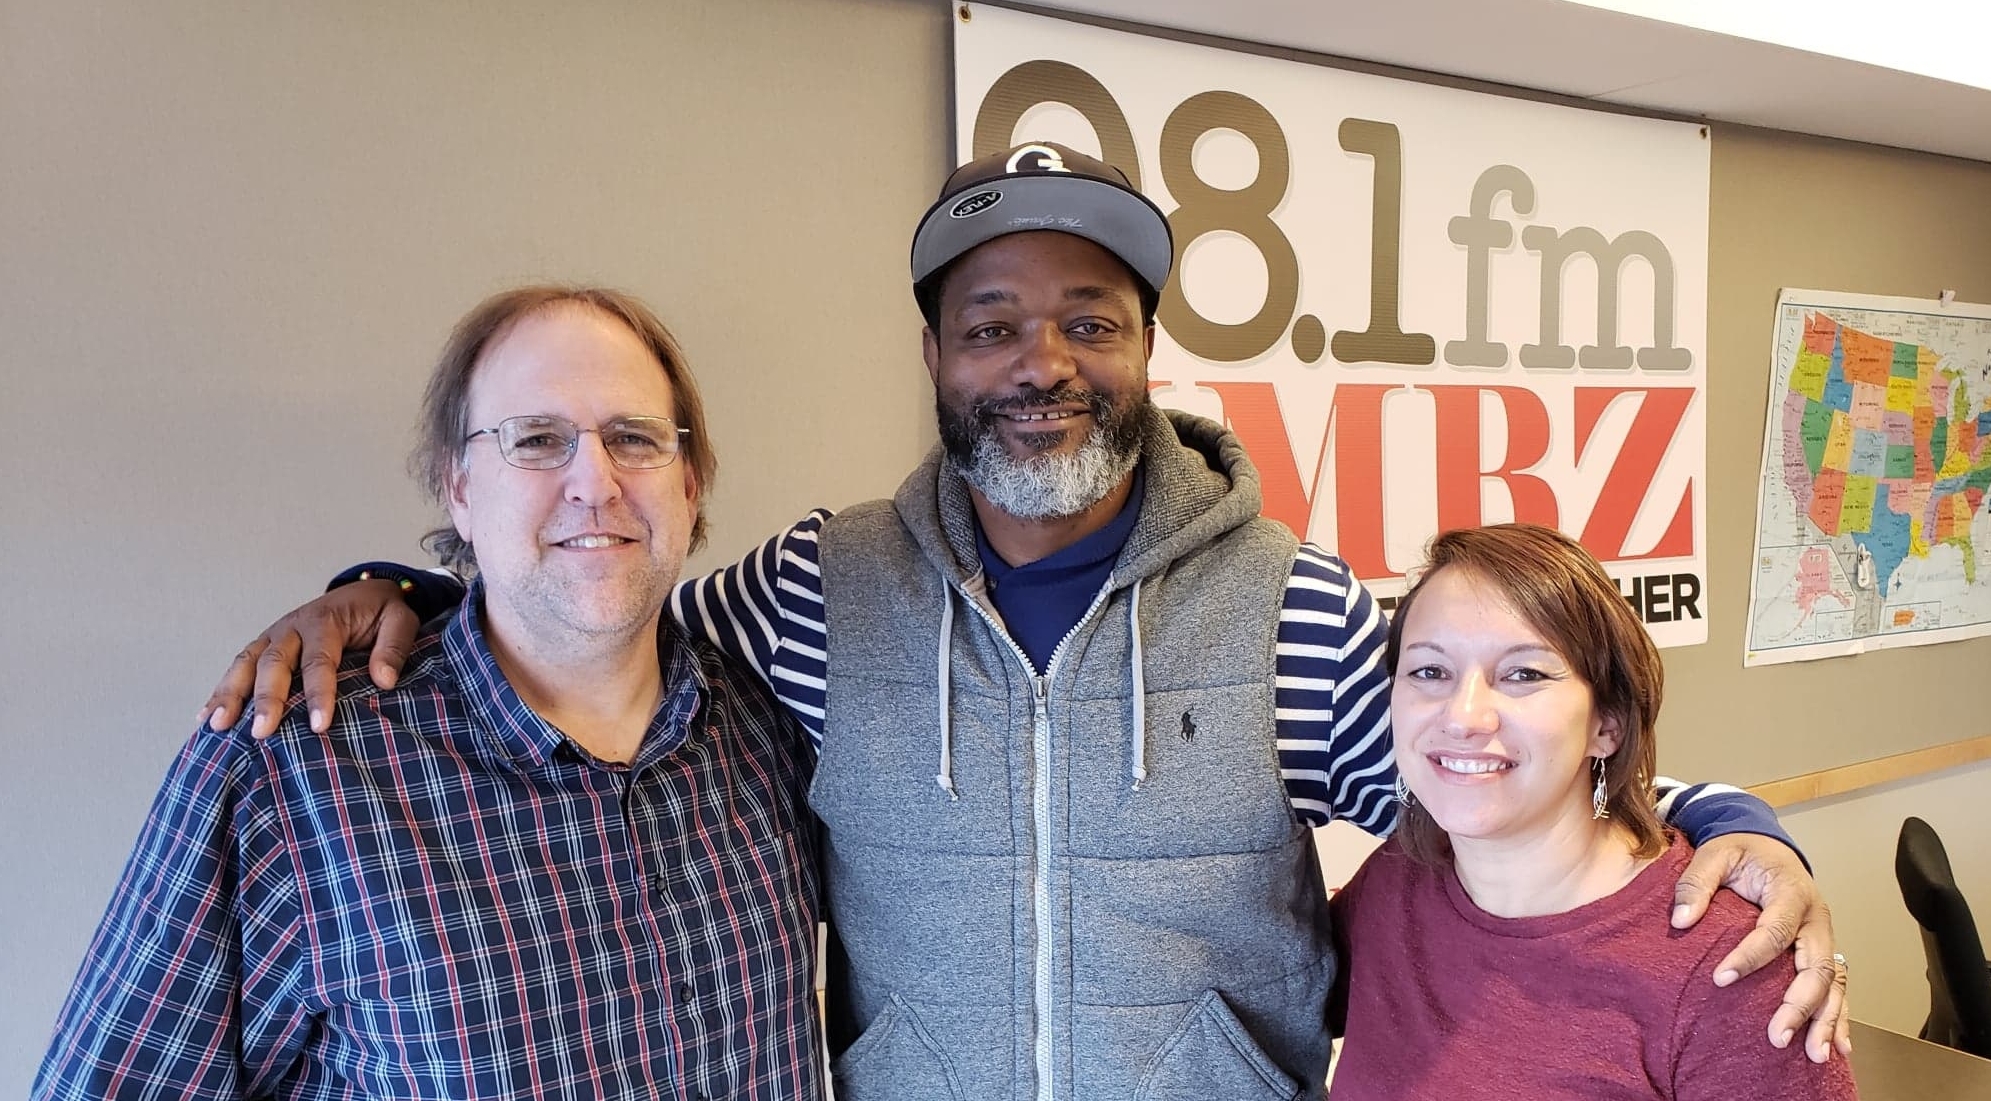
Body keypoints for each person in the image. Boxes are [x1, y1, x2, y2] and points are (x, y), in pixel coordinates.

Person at [198, 144, 1846, 1100]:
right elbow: (595, 617)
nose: (1040, 361)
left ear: (1144, 349)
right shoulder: (815, 591)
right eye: (991, 323)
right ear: (935, 358)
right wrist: (408, 591)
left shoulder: (1287, 602)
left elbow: (1501, 773)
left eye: (1088, 319)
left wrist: (1735, 824)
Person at [37, 287, 824, 1100]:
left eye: (634, 437)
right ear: (460, 488)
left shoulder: (772, 720)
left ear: (689, 484)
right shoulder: (285, 773)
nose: (595, 481)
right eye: (536, 439)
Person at [1327, 523, 1855, 1099]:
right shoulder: (1394, 884)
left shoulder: (1730, 966)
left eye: (1523, 674)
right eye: (1430, 671)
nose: (1463, 716)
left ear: (1608, 726)